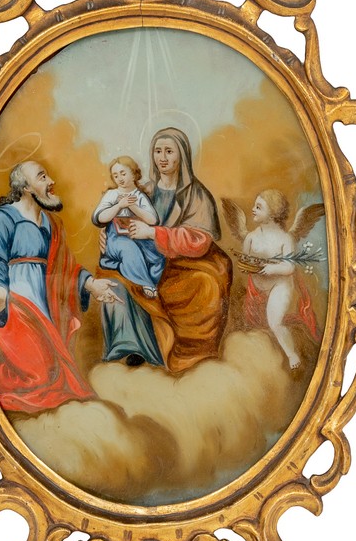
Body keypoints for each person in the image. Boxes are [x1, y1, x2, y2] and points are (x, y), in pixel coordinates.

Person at [0, 160, 119, 414]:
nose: (51, 181)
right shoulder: (1, 218)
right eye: (42, 177)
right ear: (26, 188)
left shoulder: (52, 224)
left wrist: (91, 284)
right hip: (13, 307)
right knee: (41, 375)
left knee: (57, 376)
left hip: (45, 308)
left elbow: (66, 267)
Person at [100, 128, 232, 372]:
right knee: (114, 278)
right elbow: (120, 219)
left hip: (186, 263)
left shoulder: (197, 194)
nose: (162, 157)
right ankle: (137, 348)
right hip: (147, 257)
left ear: (181, 156)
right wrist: (108, 235)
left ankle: (191, 357)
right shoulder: (144, 191)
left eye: (169, 151)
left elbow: (200, 241)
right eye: (157, 151)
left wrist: (153, 233)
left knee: (205, 285)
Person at [238, 190, 321, 370]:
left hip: (279, 285)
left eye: (259, 207)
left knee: (274, 322)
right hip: (257, 287)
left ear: (273, 213)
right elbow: (244, 261)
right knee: (253, 326)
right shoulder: (251, 237)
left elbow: (289, 267)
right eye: (254, 206)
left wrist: (271, 268)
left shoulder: (285, 239)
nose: (253, 209)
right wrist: (248, 265)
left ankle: (291, 355)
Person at [92, 156, 164, 298]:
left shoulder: (140, 196)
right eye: (115, 175)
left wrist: (133, 206)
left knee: (157, 253)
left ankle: (132, 271)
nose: (119, 178)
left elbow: (153, 220)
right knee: (129, 249)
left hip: (136, 235)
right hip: (115, 238)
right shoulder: (112, 194)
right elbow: (99, 218)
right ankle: (146, 283)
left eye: (123, 173)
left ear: (134, 174)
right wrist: (119, 206)